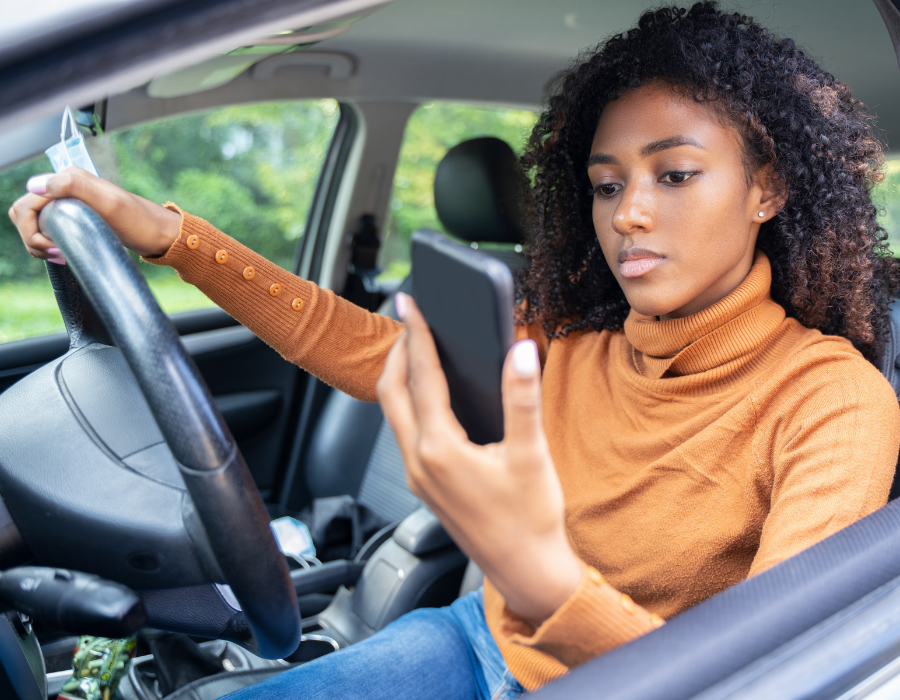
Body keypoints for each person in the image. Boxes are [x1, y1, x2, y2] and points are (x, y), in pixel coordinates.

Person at [9, 2, 900, 698]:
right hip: (479, 638)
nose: (628, 213)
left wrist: (541, 579)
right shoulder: (574, 344)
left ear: (768, 188)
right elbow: (355, 345)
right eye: (605, 183)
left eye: (674, 174)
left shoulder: (834, 403)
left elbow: (770, 675)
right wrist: (164, 233)